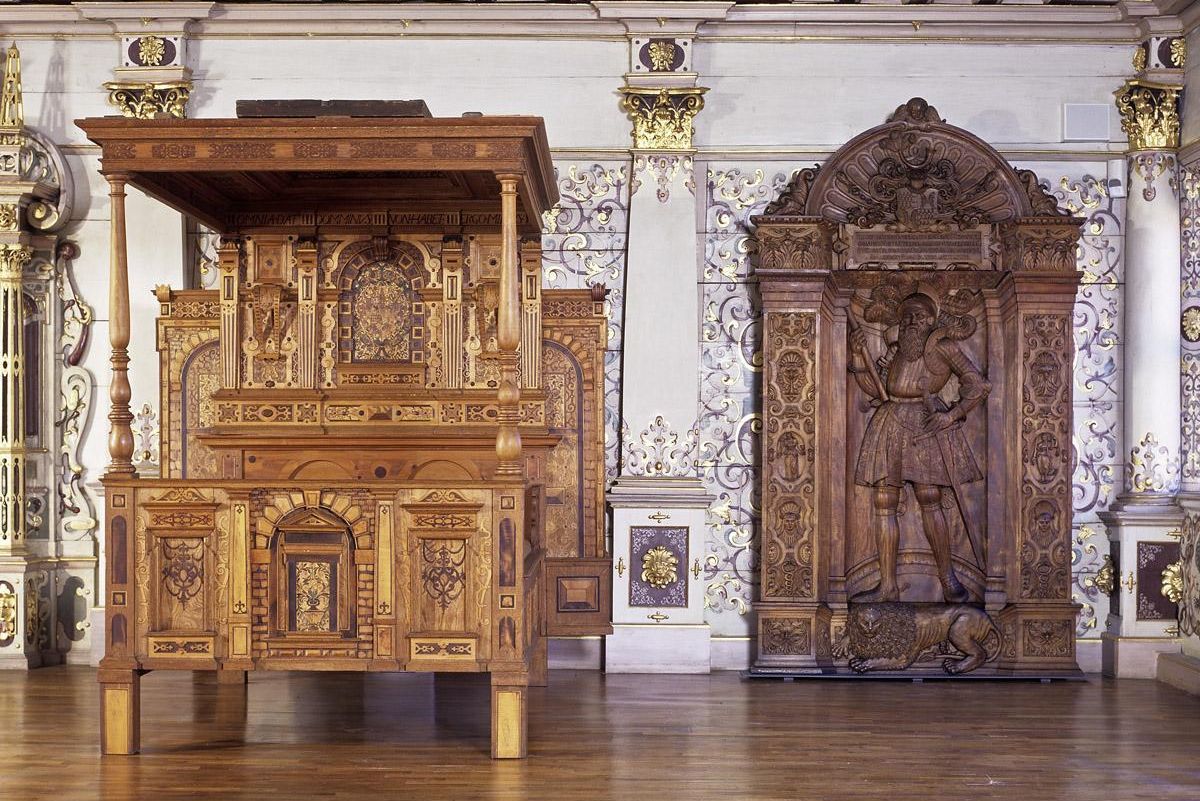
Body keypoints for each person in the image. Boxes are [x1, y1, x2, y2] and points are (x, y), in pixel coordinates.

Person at [847, 292, 990, 603]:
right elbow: (879, 389)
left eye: (919, 316)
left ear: (930, 319)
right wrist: (860, 359)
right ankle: (888, 585)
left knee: (930, 498)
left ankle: (948, 578)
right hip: (890, 421)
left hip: (926, 423)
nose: (912, 321)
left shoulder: (942, 347)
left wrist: (951, 414)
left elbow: (977, 385)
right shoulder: (896, 350)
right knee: (884, 500)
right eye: (907, 315)